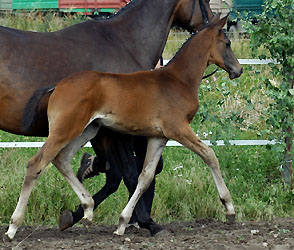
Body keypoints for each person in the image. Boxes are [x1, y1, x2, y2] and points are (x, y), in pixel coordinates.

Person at [77, 57, 164, 224]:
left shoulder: (151, 47)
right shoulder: (133, 50)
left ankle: (97, 163)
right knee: (143, 164)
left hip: (145, 112)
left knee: (151, 164)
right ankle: (138, 218)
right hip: (130, 112)